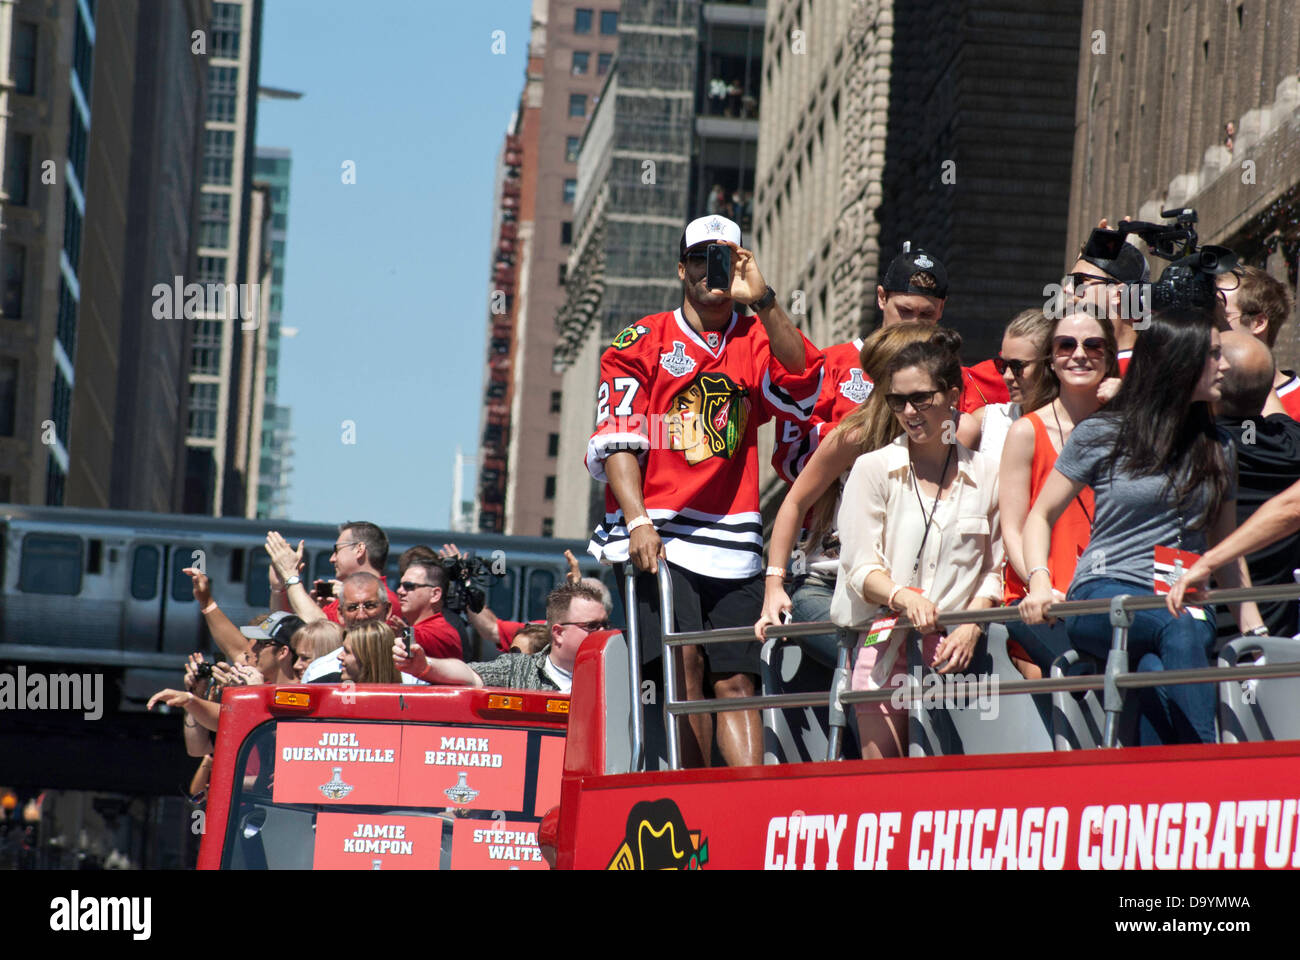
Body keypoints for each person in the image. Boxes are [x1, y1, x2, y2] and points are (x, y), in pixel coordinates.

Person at [587, 214, 824, 768]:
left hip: (734, 537)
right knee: (684, 667)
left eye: (724, 258)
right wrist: (638, 521)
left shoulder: (756, 337)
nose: (710, 271)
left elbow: (805, 378)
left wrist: (762, 297)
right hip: (661, 533)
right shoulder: (640, 342)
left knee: (739, 680)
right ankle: (690, 807)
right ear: (681, 268)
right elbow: (618, 441)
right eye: (699, 259)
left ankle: (742, 808)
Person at [1020, 308, 1267, 745]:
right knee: (1180, 627)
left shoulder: (1220, 445)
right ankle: (1214, 770)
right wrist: (1040, 581)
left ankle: (1155, 793)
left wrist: (1255, 633)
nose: (1224, 364)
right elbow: (1039, 515)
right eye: (1212, 355)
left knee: (1156, 668)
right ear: (1178, 362)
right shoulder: (1103, 432)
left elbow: (1226, 547)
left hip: (1178, 592)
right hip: (1104, 590)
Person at [830, 333, 1003, 757]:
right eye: (897, 400)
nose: (909, 411)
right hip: (883, 645)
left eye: (921, 398)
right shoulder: (872, 468)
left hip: (957, 655)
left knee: (948, 798)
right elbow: (859, 568)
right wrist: (902, 597)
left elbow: (995, 571)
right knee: (884, 790)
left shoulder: (989, 474)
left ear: (953, 396)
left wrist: (971, 625)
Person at [757, 324, 954, 665]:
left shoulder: (953, 436)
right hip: (831, 588)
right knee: (876, 659)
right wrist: (774, 586)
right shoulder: (854, 437)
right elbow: (795, 501)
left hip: (909, 593)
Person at [998, 309, 1119, 677]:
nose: (1079, 354)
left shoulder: (1130, 424)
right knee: (1077, 676)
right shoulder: (1026, 431)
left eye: (1092, 345)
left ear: (1110, 356)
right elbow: (1013, 529)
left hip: (1108, 596)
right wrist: (1042, 585)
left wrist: (1130, 395)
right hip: (1041, 602)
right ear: (1051, 359)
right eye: (1066, 345)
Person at [1202, 331, 1300, 638]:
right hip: (1277, 629)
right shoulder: (1291, 444)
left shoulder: (1200, 447)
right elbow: (1260, 399)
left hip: (1211, 623)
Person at [395, 582, 607, 693]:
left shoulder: (618, 676)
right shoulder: (519, 670)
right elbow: (469, 674)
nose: (602, 633)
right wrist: (424, 666)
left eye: (605, 625)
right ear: (559, 633)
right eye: (592, 626)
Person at [955, 308, 1054, 459]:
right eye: (1002, 364)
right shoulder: (985, 422)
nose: (1007, 376)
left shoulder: (1075, 425)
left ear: (1050, 363)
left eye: (1017, 366)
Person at [266, 522, 401, 624]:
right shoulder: (343, 599)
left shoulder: (382, 600)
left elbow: (319, 632)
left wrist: (291, 576)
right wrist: (279, 589)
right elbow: (286, 632)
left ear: (359, 549)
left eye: (337, 550)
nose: (332, 559)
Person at [1063, 223, 1150, 374]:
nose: (1067, 289)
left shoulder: (1150, 374)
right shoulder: (1068, 367)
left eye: (1079, 281)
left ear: (1119, 293)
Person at [1219, 265, 1299, 419]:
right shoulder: (1202, 397)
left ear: (1258, 323)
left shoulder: (1297, 403)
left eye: (1222, 314)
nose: (1210, 324)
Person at [397, 560, 463, 659]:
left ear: (435, 594)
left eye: (409, 586)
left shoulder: (444, 632)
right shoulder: (410, 628)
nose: (400, 591)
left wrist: (405, 634)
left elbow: (425, 639)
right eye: (400, 585)